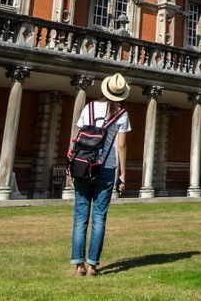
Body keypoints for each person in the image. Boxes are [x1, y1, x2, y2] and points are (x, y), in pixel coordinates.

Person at [71, 72, 130, 277]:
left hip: (83, 166)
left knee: (80, 217)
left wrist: (74, 165)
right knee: (99, 218)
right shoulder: (121, 114)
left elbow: (78, 137)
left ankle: (77, 265)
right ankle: (92, 266)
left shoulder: (89, 107)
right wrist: (123, 174)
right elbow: (121, 147)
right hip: (106, 168)